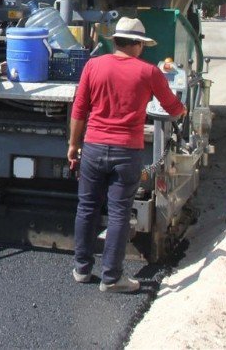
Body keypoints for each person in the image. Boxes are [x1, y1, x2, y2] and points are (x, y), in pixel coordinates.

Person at [68, 17, 186, 293]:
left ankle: (81, 269)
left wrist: (73, 145)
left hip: (93, 148)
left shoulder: (93, 66)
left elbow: (79, 109)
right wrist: (183, 111)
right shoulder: (148, 73)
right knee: (119, 213)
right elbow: (171, 107)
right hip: (127, 152)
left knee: (86, 207)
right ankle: (111, 278)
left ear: (115, 41)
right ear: (136, 45)